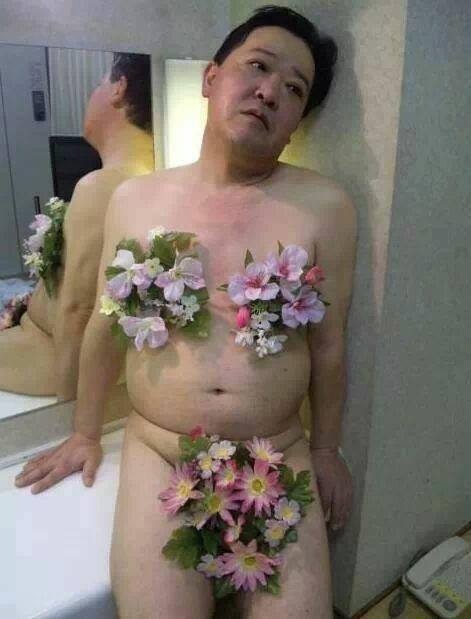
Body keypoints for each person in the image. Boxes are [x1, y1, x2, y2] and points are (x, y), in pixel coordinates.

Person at [15, 7, 356, 618]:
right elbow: (105, 325)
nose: (270, 92)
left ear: (297, 122)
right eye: (258, 67)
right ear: (210, 77)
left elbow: (329, 346)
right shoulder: (135, 198)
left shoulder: (326, 207)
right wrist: (85, 432)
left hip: (276, 453)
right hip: (160, 451)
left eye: (294, 89)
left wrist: (327, 449)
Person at [0, 52, 154, 399]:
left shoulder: (103, 186)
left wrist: (68, 412)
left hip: (44, 358)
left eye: (99, 83)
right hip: (35, 340)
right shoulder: (145, 177)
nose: (92, 95)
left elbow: (78, 310)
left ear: (118, 88)